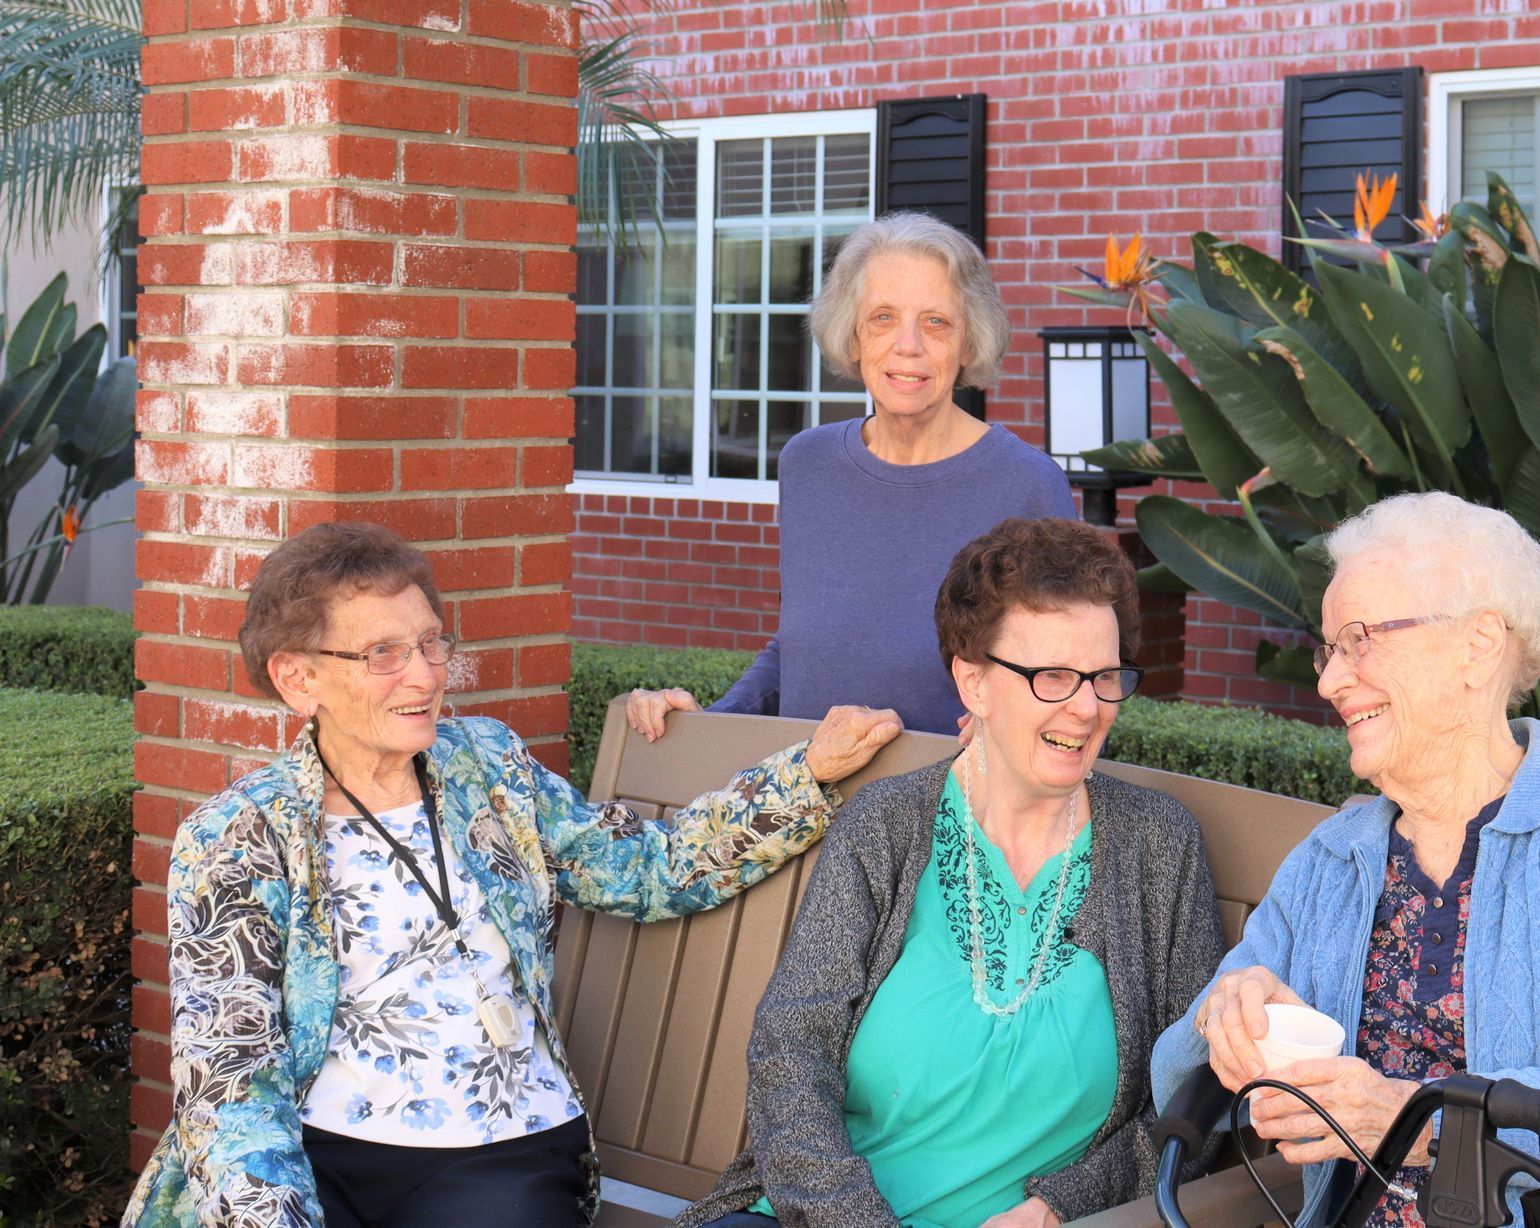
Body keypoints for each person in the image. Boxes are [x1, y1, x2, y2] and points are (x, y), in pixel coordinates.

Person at [122, 522, 902, 1228]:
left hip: (498, 1149)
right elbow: (229, 1082)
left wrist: (807, 774)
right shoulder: (238, 836)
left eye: (432, 644)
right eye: (384, 654)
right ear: (298, 678)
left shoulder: (487, 767)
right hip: (313, 1151)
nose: (426, 676)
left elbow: (646, 870)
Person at [1150, 492, 1540, 1228]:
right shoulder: (1331, 863)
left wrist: (1419, 1120)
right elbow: (1179, 1085)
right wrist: (1225, 1015)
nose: (1328, 680)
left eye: (1361, 638)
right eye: (1330, 648)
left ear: (1477, 645)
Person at [679, 518, 1225, 1228]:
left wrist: (1059, 1208)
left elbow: (1196, 1105)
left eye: (1104, 676)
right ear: (974, 681)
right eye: (1053, 676)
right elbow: (791, 1050)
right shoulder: (889, 825)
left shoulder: (1157, 847)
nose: (1087, 707)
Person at [626, 211, 1076, 742]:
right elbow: (799, 652)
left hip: (947, 804)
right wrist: (705, 723)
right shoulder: (807, 464)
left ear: (970, 342)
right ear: (854, 335)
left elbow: (1074, 675)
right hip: (804, 802)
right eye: (883, 316)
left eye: (936, 321)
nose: (908, 343)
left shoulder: (1027, 483)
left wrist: (1006, 732)